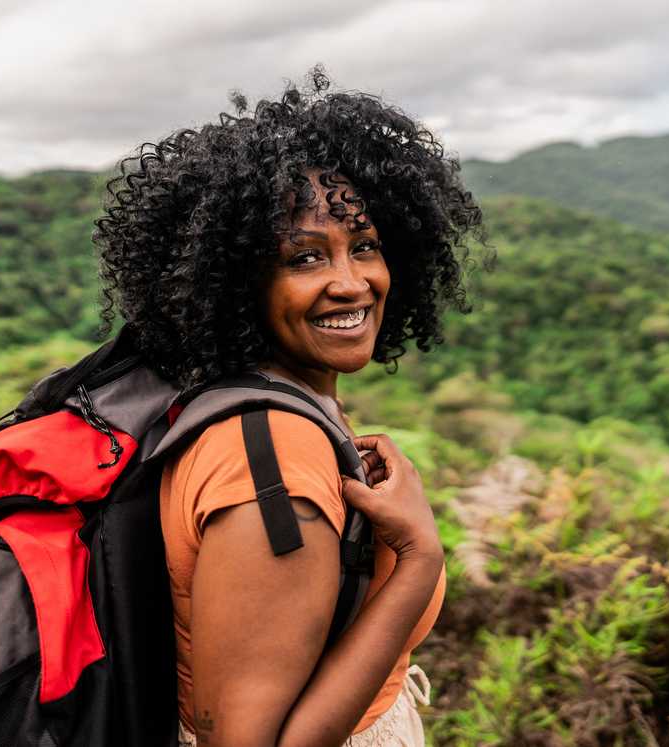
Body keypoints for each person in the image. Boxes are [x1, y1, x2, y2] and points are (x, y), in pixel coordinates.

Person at [92, 67, 487, 746]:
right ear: (238, 279)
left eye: (364, 245)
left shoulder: (267, 408)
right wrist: (417, 556)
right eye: (305, 258)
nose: (350, 281)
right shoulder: (269, 461)